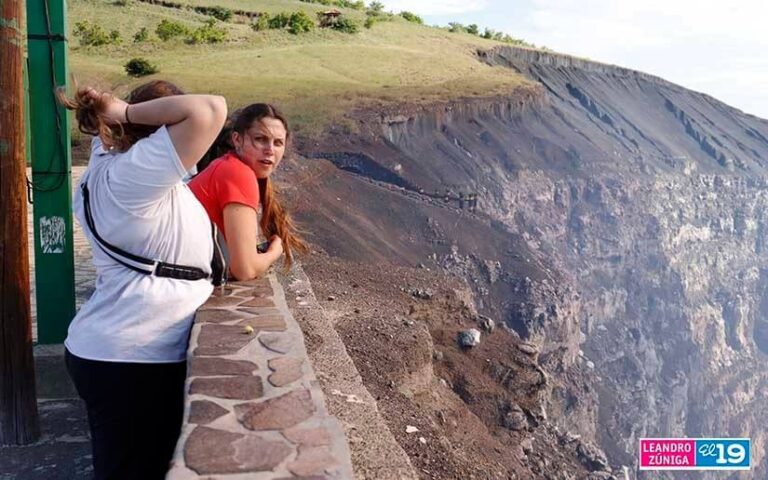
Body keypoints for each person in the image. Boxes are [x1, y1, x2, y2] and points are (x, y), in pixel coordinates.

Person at [58, 80, 227, 479]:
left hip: (116, 352)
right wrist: (124, 112)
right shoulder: (134, 178)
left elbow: (107, 136)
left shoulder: (108, 165)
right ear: (159, 132)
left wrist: (111, 113)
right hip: (132, 358)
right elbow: (209, 109)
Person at [189, 103, 307, 280]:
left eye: (278, 143)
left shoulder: (227, 165)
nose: (270, 150)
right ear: (237, 140)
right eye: (260, 139)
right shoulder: (238, 173)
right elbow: (244, 270)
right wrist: (275, 251)